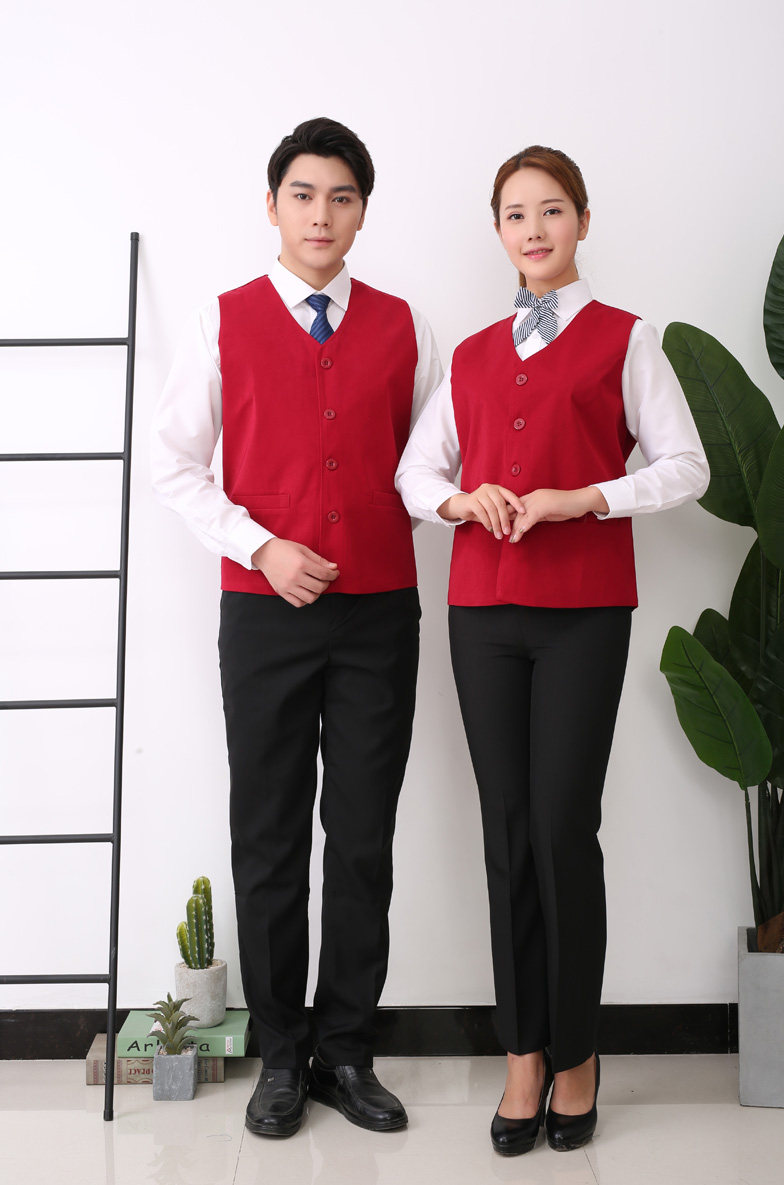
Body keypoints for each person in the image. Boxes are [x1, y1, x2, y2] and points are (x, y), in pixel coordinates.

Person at [395, 145, 708, 1155]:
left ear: (582, 220)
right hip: (482, 614)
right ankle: (521, 1054)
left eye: (551, 210)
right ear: (498, 231)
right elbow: (415, 475)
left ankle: (576, 1056)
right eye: (515, 214)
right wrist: (460, 500)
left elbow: (687, 466)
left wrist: (587, 497)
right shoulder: (473, 354)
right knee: (505, 833)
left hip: (583, 613)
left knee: (562, 829)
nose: (533, 229)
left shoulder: (626, 338)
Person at [151, 117, 442, 1139]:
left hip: (378, 614)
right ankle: (281, 1054)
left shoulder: (407, 327)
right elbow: (175, 463)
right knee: (269, 834)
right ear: (272, 205)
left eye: (342, 198)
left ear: (363, 212)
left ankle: (346, 1052)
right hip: (262, 613)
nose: (322, 215)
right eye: (304, 195)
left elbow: (427, 467)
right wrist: (262, 545)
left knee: (361, 838)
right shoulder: (221, 320)